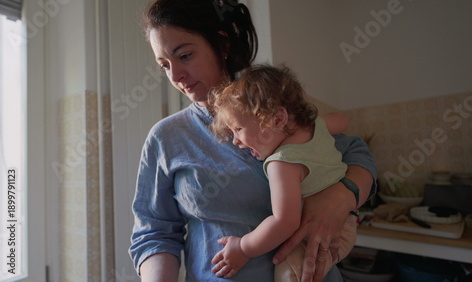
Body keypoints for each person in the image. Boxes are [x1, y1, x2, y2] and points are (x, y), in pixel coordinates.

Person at [129, 0, 377, 281]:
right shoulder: (166, 137)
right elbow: (154, 232)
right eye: (164, 65)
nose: (175, 76)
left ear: (221, 45)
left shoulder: (270, 108)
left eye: (184, 56)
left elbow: (356, 152)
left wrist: (341, 196)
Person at [208, 64, 359, 281]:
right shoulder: (317, 126)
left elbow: (285, 222)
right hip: (345, 221)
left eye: (238, 129)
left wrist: (243, 248)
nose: (235, 141)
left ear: (278, 119)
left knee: (289, 276)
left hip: (323, 235)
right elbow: (343, 120)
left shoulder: (282, 163)